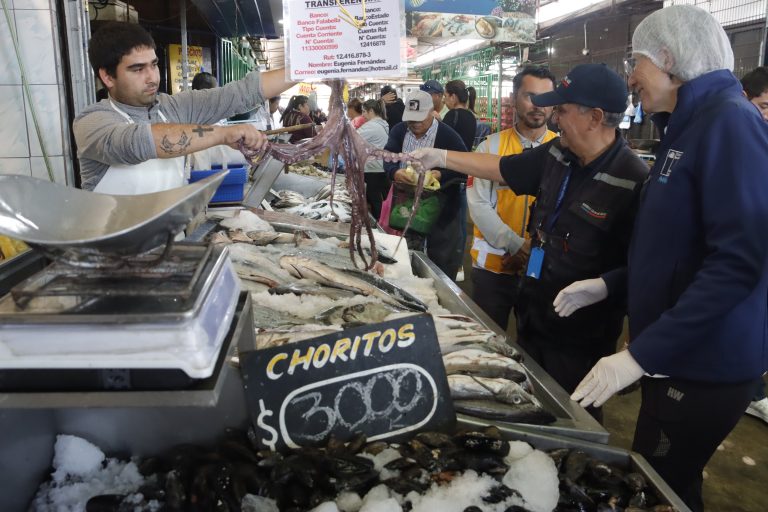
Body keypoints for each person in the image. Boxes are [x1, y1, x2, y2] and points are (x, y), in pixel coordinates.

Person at [559, 7, 768, 511]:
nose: (630, 76)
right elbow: (678, 250)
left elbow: (741, 262)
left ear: (670, 60)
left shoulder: (730, 125)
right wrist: (611, 284)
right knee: (668, 484)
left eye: (638, 62)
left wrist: (640, 356)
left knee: (656, 487)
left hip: (702, 364)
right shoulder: (686, 126)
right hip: (675, 356)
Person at [405, 64, 648, 421]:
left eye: (562, 111)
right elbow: (502, 166)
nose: (555, 118)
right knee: (529, 406)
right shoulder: (558, 155)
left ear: (595, 117)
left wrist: (608, 287)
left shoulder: (635, 182)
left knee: (572, 421)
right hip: (534, 315)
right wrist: (442, 156)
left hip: (580, 337)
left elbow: (649, 268)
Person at [74, 22, 291, 194]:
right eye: (138, 69)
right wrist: (224, 134)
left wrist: (309, 66)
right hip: (115, 249)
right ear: (107, 76)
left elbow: (243, 92)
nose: (152, 77)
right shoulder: (92, 122)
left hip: (171, 244)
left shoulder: (174, 107)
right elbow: (139, 142)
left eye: (154, 64)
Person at [467, 66, 557, 331]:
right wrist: (517, 245)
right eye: (530, 96)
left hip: (540, 269)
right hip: (493, 270)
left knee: (534, 345)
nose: (538, 106)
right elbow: (479, 206)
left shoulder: (564, 151)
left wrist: (532, 251)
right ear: (513, 98)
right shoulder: (490, 147)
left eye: (546, 99)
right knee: (486, 342)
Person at [383, 90, 468, 280]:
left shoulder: (449, 136)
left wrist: (441, 175)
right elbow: (387, 156)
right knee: (403, 253)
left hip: (441, 209)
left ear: (433, 112)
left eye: (420, 119)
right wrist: (394, 171)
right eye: (411, 120)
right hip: (405, 205)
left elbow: (464, 169)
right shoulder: (399, 131)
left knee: (442, 256)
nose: (414, 124)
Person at [356, 99, 389, 219]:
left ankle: (378, 225)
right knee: (380, 199)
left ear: (371, 111)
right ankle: (382, 223)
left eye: (364, 111)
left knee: (374, 200)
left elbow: (352, 137)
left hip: (372, 169)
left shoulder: (372, 126)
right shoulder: (382, 123)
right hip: (381, 167)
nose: (363, 115)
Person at [442, 80, 478, 152]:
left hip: (452, 160)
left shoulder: (452, 114)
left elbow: (441, 139)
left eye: (445, 96)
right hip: (465, 160)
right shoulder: (471, 116)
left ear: (453, 97)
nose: (444, 100)